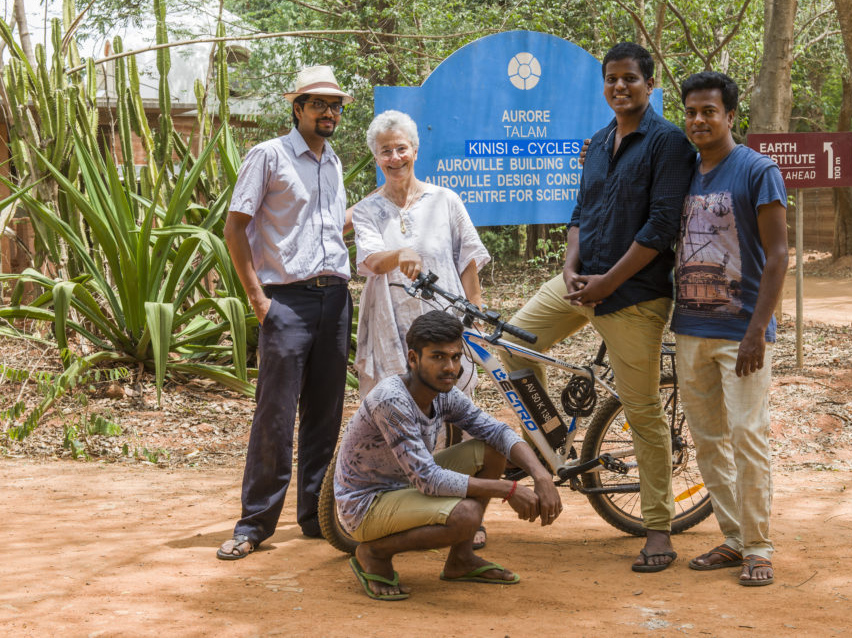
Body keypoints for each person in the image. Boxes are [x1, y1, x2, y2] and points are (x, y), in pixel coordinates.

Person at [500, 42, 695, 573]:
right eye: (611, 78)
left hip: (633, 296)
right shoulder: (598, 141)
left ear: (648, 85)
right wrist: (570, 270)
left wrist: (608, 281)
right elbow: (579, 213)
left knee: (643, 413)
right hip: (580, 283)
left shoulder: (668, 143)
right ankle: (549, 442)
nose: (619, 87)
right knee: (510, 345)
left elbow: (661, 226)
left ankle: (658, 527)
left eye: (630, 78)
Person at [217, 66, 355, 561]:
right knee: (274, 415)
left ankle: (315, 517)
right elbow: (235, 228)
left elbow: (331, 227)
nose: (329, 113)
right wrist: (259, 301)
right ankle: (254, 524)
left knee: (325, 412)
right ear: (296, 108)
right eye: (318, 104)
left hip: (335, 297)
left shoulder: (333, 162)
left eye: (335, 105)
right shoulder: (268, 155)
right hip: (286, 300)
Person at [334, 310, 561, 601]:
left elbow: (498, 432)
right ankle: (374, 553)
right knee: (466, 516)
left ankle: (461, 560)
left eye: (455, 357)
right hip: (367, 506)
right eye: (438, 357)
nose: (450, 367)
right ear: (413, 359)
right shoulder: (392, 399)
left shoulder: (443, 393)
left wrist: (541, 475)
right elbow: (428, 480)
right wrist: (510, 489)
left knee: (491, 449)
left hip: (406, 485)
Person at [672, 71, 788, 586]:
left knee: (747, 435)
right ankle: (733, 537)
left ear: (731, 116)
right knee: (708, 441)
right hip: (691, 328)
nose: (699, 120)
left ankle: (759, 547)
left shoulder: (757, 170)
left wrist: (757, 330)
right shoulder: (684, 173)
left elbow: (780, 254)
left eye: (709, 112)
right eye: (692, 112)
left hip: (742, 332)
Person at [352, 110, 489, 400]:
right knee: (398, 408)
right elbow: (373, 261)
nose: (395, 157)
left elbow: (468, 261)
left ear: (415, 150)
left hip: (445, 321)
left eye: (401, 148)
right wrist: (399, 254)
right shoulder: (366, 210)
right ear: (376, 158)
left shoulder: (445, 200)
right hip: (389, 327)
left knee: (452, 408)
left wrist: (474, 315)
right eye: (385, 151)